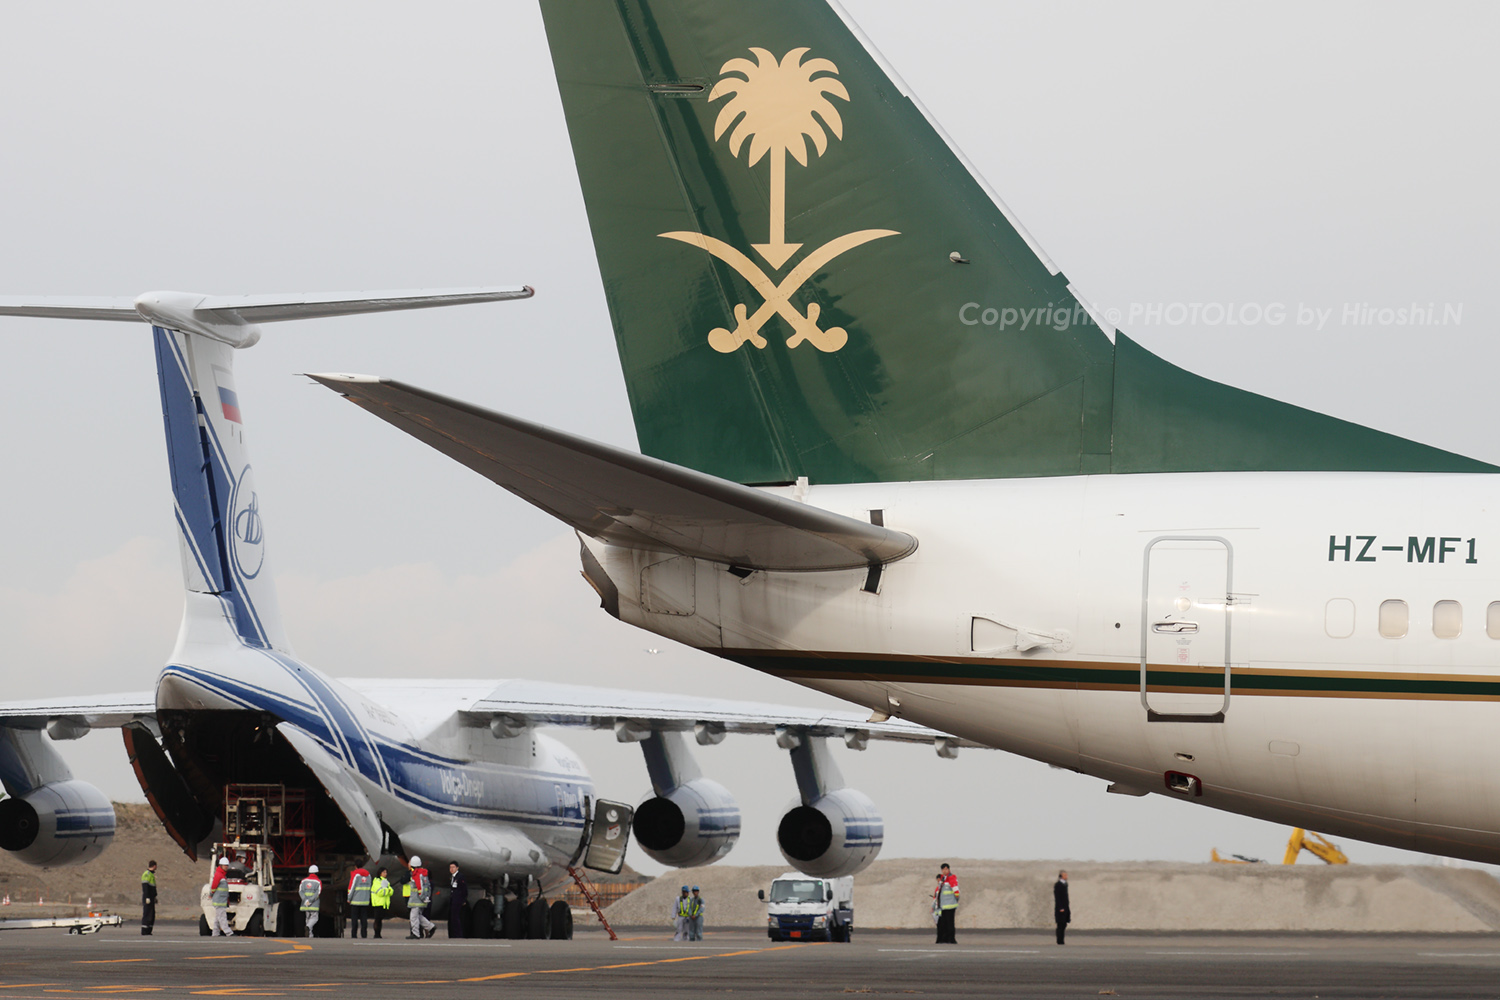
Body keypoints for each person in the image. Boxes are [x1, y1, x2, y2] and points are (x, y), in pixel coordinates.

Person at [407, 856, 435, 940]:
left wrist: (422, 897)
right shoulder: (423, 874)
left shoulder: (417, 874)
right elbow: (427, 887)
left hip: (417, 900)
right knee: (418, 916)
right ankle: (430, 927)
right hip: (421, 899)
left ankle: (416, 934)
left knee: (413, 917)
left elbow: (420, 887)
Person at [208, 856, 234, 937]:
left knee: (217, 918)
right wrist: (211, 894)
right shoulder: (219, 875)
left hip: (221, 901)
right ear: (221, 865)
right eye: (225, 865)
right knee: (222, 917)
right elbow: (214, 886)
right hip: (219, 901)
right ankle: (228, 932)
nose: (226, 867)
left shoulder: (222, 875)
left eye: (227, 865)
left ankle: (215, 933)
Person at [934, 863, 959, 944]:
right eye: (943, 869)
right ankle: (943, 939)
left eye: (946, 869)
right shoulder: (943, 879)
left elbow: (956, 891)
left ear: (948, 869)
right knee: (942, 923)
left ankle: (951, 939)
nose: (944, 871)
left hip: (950, 905)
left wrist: (955, 900)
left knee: (950, 923)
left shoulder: (951, 878)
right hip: (943, 906)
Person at [347, 860, 373, 939]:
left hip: (355, 901)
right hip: (365, 901)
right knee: (364, 919)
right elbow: (370, 888)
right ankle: (364, 934)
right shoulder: (368, 875)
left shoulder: (355, 874)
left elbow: (351, 887)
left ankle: (354, 934)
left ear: (355, 866)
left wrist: (349, 898)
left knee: (354, 919)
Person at [299, 865, 322, 937]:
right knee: (314, 918)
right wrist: (311, 901)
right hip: (313, 904)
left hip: (305, 904)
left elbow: (300, 891)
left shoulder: (303, 881)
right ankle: (308, 927)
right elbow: (318, 893)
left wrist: (305, 900)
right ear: (317, 872)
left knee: (308, 918)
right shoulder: (318, 882)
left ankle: (310, 935)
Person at [371, 867, 393, 939]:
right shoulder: (377, 881)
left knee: (380, 919)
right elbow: (380, 892)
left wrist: (387, 890)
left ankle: (378, 933)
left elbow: (391, 891)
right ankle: (376, 934)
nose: (385, 874)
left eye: (386, 872)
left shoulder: (386, 881)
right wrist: (387, 890)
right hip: (378, 903)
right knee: (377, 919)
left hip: (383, 904)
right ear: (380, 873)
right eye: (384, 872)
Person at [447, 862, 467, 938]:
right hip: (453, 899)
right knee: (452, 918)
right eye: (450, 867)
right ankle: (453, 934)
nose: (451, 869)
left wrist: (463, 900)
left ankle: (458, 935)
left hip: (458, 900)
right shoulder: (452, 877)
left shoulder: (460, 877)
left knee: (456, 918)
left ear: (457, 868)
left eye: (453, 867)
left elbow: (464, 889)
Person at [140, 860, 157, 936]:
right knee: (147, 913)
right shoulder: (147, 874)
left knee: (151, 914)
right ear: (154, 866)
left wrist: (154, 897)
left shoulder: (151, 875)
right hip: (148, 897)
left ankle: (149, 930)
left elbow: (153, 887)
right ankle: (144, 931)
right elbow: (145, 887)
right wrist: (147, 897)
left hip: (151, 897)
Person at [1054, 870, 1070, 945]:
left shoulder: (1065, 884)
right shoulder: (1058, 885)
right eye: (1065, 875)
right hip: (1060, 908)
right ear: (1061, 876)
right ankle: (1059, 940)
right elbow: (1057, 897)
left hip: (1065, 907)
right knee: (1060, 924)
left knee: (1064, 924)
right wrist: (1060, 907)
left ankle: (1062, 940)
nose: (1066, 876)